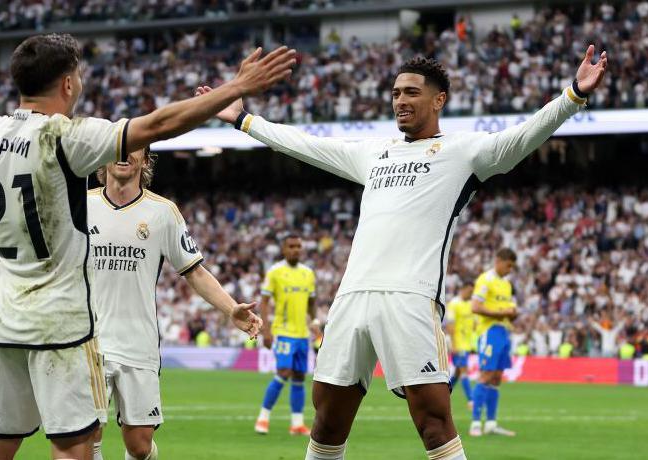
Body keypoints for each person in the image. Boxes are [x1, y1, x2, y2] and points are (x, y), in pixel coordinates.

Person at [0, 33, 295, 460]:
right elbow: (159, 124)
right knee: (74, 449)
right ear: (68, 84)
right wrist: (235, 88)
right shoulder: (67, 137)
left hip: (3, 322)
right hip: (61, 323)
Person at [196, 45, 607, 459]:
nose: (400, 101)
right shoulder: (374, 153)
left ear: (438, 99)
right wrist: (244, 121)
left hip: (410, 298)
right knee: (327, 423)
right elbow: (305, 144)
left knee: (433, 423)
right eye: (395, 93)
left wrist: (573, 95)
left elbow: (523, 136)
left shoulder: (464, 152)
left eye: (411, 92)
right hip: (352, 297)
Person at [0, 146, 263, 460]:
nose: (124, 155)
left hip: (139, 343)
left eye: (134, 149)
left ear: (145, 159)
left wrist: (230, 308)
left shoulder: (163, 212)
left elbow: (194, 271)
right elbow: (30, 252)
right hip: (88, 342)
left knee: (139, 445)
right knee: (88, 436)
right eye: (117, 149)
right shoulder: (78, 205)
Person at [254, 234, 317, 436]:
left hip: (302, 334)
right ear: (284, 249)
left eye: (298, 246)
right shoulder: (275, 272)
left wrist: (314, 322)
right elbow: (264, 301)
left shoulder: (308, 273)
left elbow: (312, 302)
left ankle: (297, 424)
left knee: (299, 377)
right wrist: (266, 330)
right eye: (291, 246)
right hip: (283, 332)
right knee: (283, 372)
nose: (296, 249)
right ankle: (263, 418)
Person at [469, 248, 518, 437]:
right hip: (489, 332)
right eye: (508, 265)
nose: (510, 270)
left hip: (504, 331)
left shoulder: (506, 284)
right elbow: (475, 306)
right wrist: (502, 313)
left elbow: (508, 309)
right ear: (498, 261)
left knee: (497, 377)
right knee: (486, 375)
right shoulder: (485, 279)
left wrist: (512, 314)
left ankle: (490, 423)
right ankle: (475, 423)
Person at [445, 280, 476, 409]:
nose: (471, 294)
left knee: (457, 373)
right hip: (458, 343)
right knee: (464, 371)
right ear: (463, 289)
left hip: (467, 343)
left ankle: (444, 394)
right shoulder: (454, 304)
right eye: (469, 291)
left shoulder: (470, 303)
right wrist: (454, 344)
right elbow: (450, 325)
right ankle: (471, 400)